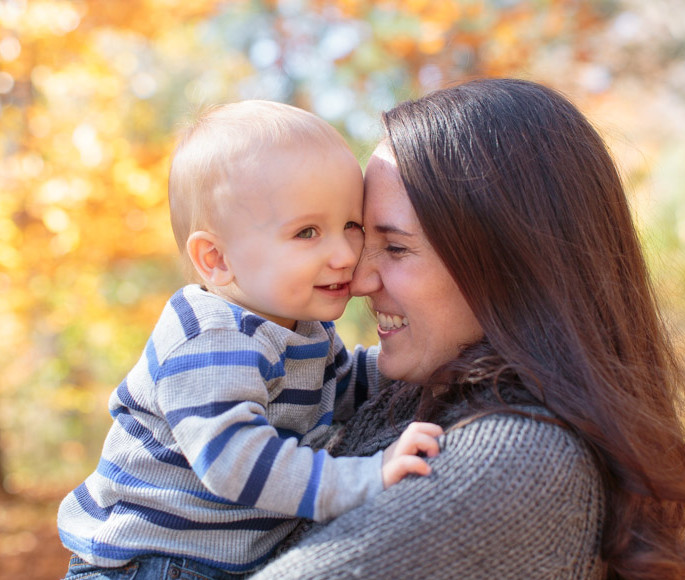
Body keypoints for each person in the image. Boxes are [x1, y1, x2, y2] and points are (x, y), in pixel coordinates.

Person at [249, 79, 685, 579]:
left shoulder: (517, 459)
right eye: (362, 238)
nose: (359, 279)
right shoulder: (402, 397)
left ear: (510, 263)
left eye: (397, 247)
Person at [57, 100, 442, 579]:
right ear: (216, 259)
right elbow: (235, 459)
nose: (345, 254)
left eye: (351, 226)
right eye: (307, 232)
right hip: (151, 564)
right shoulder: (210, 339)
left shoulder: (301, 329)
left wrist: (438, 356)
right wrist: (361, 478)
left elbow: (353, 386)